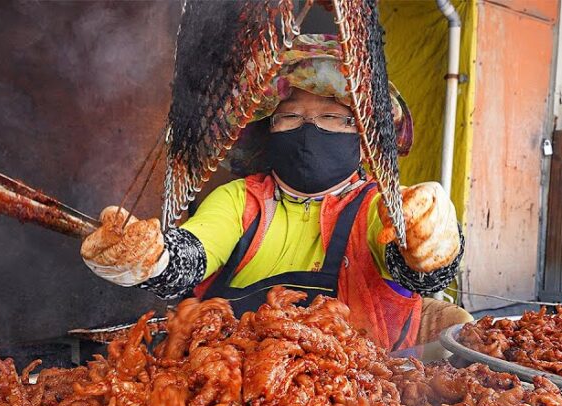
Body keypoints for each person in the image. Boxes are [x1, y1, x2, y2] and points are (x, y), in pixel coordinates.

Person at [81, 35, 467, 350]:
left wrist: (433, 247)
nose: (310, 128)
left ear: (364, 138)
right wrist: (153, 259)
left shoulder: (377, 208)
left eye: (332, 116)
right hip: (225, 391)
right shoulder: (239, 200)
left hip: (361, 404)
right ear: (268, 129)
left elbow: (416, 270)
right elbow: (191, 255)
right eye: (291, 115)